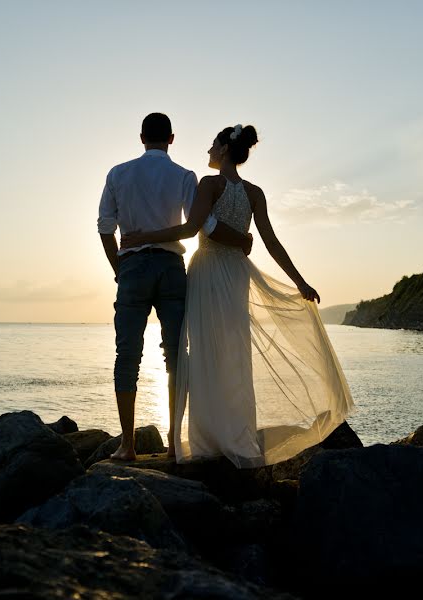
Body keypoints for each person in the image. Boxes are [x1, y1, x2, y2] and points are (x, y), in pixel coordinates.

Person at [121, 124, 354, 467]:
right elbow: (272, 243)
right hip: (237, 275)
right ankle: (235, 433)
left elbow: (191, 229)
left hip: (208, 271)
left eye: (213, 145)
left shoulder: (209, 184)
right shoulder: (255, 192)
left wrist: (143, 237)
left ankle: (209, 438)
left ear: (224, 149)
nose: (208, 152)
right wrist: (300, 282)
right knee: (236, 351)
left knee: (204, 351)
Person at [97, 113, 252, 461]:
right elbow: (205, 226)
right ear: (171, 138)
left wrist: (119, 269)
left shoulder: (118, 174)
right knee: (176, 357)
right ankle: (171, 441)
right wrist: (243, 239)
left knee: (127, 356)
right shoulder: (184, 176)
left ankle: (127, 445)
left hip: (133, 266)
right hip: (171, 268)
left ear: (141, 138)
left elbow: (105, 226)